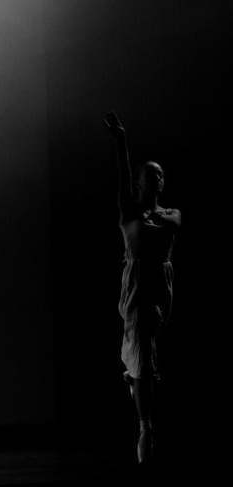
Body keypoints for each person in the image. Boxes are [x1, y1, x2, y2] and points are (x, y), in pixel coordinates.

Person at [104, 111, 181, 465]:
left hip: (161, 284)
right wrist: (121, 142)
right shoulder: (129, 214)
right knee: (144, 356)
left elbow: (173, 221)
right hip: (137, 287)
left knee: (143, 352)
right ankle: (145, 427)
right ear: (139, 181)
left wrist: (157, 215)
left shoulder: (172, 214)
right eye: (152, 174)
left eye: (162, 174)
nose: (159, 179)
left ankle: (138, 387)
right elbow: (122, 180)